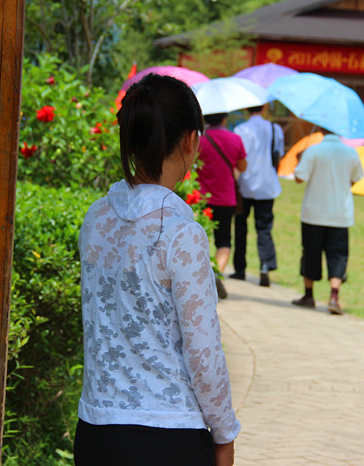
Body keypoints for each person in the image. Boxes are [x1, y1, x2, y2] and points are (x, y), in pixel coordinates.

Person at [75, 74, 240, 466]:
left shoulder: (96, 218)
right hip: (169, 437)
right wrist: (225, 431)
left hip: (96, 430)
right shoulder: (182, 233)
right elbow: (203, 353)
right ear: (190, 141)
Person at [291, 129, 364, 315]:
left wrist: (299, 158)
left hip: (314, 212)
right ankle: (334, 296)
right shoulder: (351, 152)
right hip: (340, 214)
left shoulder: (313, 151)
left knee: (310, 253)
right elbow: (355, 179)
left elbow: (300, 178)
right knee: (338, 255)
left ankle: (309, 295)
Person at [230, 104, 284, 287]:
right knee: (264, 228)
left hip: (245, 184)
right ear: (264, 107)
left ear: (246, 109)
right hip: (267, 185)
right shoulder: (274, 129)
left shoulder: (240, 129)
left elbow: (238, 158)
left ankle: (240, 269)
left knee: (240, 227)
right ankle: (265, 265)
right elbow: (279, 154)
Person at [196, 112, 247, 299]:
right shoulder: (235, 139)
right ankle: (216, 274)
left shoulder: (200, 140)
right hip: (226, 198)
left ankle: (198, 279)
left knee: (198, 239)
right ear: (224, 118)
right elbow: (242, 167)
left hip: (200, 198)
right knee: (224, 241)